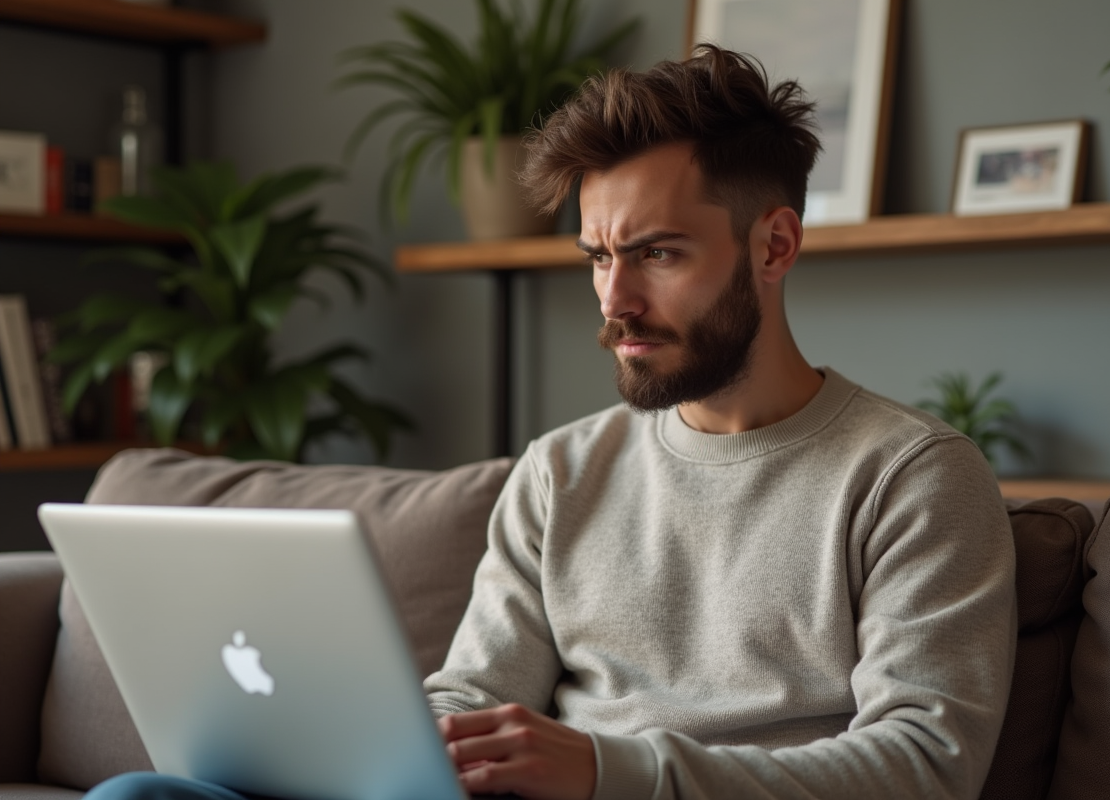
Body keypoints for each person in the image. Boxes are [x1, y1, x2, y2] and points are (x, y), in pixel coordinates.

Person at [86, 45, 1016, 800]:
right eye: (598, 257)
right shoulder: (561, 469)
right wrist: (386, 732)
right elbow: (475, 693)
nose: (616, 302)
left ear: (774, 245)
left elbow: (924, 767)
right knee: (141, 799)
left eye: (656, 253)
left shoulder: (912, 476)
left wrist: (613, 772)